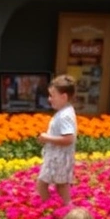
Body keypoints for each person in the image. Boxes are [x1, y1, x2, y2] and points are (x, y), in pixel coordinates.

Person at [36, 74, 77, 204]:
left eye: (52, 96)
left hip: (58, 159)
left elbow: (69, 139)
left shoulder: (64, 116)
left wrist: (47, 138)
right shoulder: (65, 112)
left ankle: (48, 209)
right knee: (61, 186)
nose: (49, 99)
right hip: (58, 158)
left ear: (63, 97)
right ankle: (65, 211)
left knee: (42, 184)